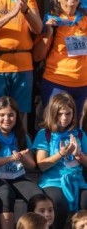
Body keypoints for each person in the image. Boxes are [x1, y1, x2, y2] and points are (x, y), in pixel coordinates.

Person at [0, 96, 43, 229]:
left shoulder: (22, 135)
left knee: (37, 196)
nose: (7, 119)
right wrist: (10, 159)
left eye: (11, 115)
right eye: (2, 115)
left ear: (17, 116)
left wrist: (22, 157)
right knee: (5, 192)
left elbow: (32, 165)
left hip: (17, 176)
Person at [33, 0, 87, 113]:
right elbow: (37, 56)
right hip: (56, 85)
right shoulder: (52, 20)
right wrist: (49, 33)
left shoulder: (85, 20)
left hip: (84, 87)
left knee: (79, 132)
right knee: (57, 129)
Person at [33, 92, 87, 229]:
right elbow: (42, 165)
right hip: (53, 181)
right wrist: (61, 154)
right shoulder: (44, 133)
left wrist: (78, 155)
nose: (64, 118)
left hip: (77, 180)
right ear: (52, 113)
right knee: (58, 205)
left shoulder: (80, 133)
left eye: (68, 113)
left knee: (85, 204)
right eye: (60, 113)